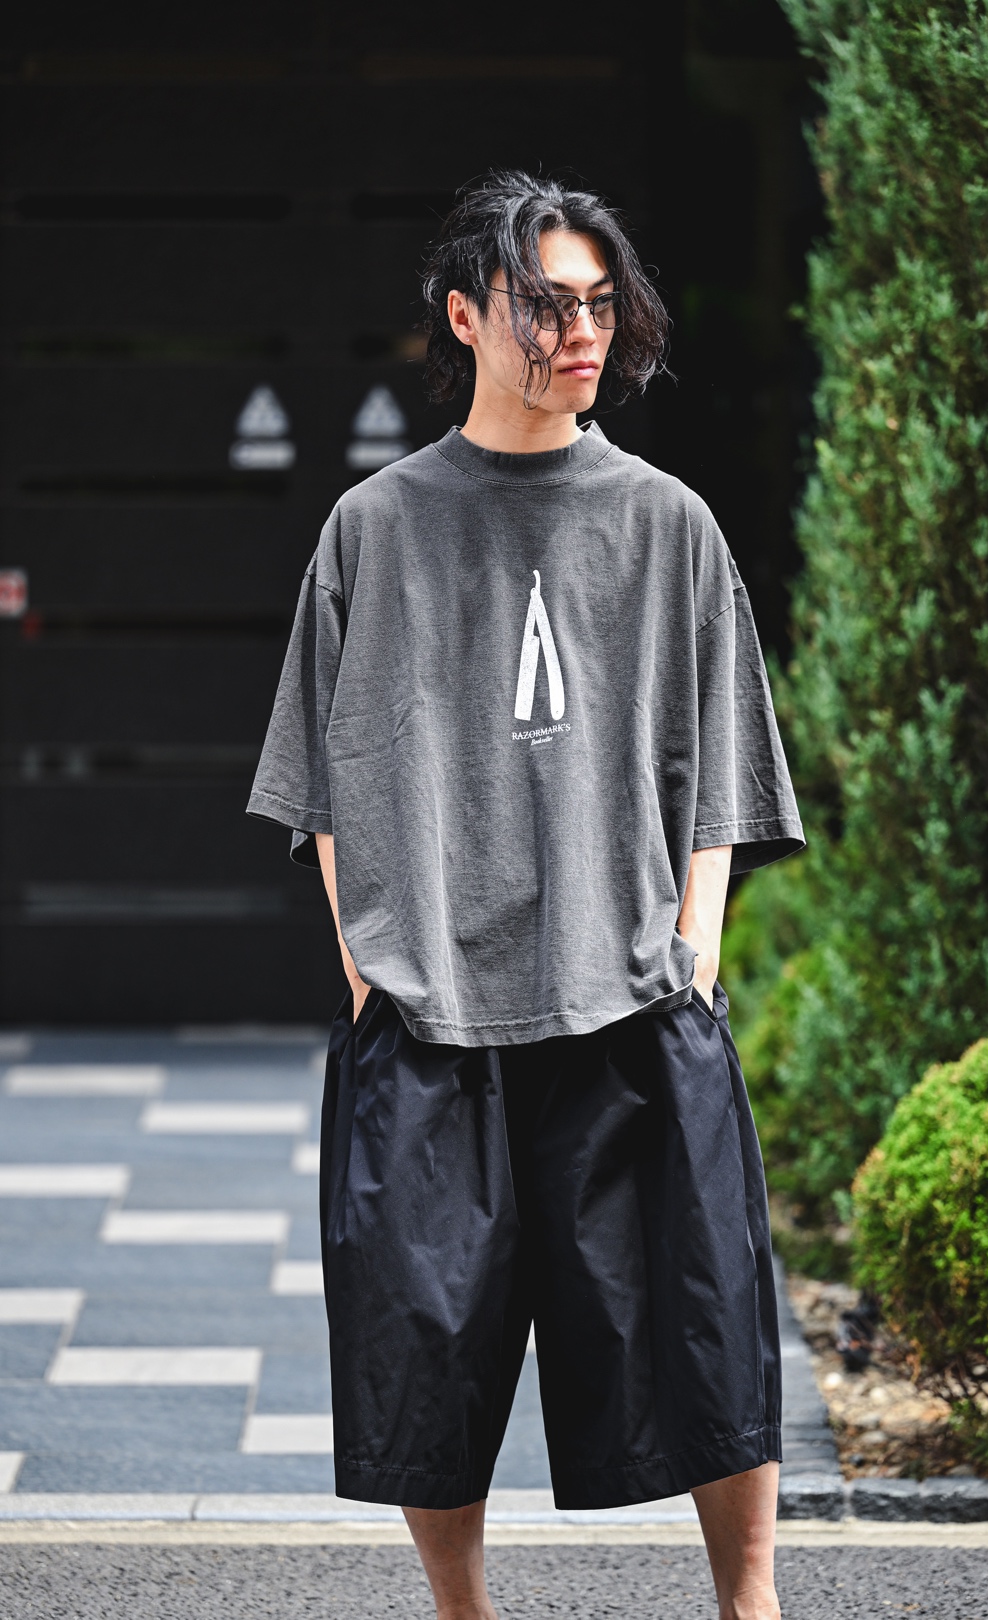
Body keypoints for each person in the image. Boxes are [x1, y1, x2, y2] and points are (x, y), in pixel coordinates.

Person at [248, 169, 804, 1620]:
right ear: (463, 316)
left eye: (600, 305)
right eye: (546, 305)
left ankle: (751, 1601)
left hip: (632, 996)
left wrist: (695, 950)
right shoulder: (374, 527)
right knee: (423, 1347)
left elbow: (723, 769)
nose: (581, 333)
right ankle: (465, 1611)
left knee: (705, 1321)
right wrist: (367, 962)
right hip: (433, 1008)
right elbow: (319, 774)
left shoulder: (670, 524)